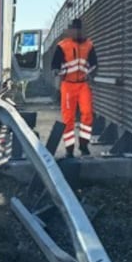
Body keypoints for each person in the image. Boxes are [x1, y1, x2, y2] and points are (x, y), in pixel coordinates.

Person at [51, 18, 98, 158]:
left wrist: (93, 73)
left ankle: (84, 145)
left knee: (87, 114)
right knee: (68, 118)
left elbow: (94, 63)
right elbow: (54, 64)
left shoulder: (89, 45)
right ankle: (69, 148)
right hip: (67, 85)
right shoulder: (62, 45)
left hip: (83, 84)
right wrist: (55, 71)